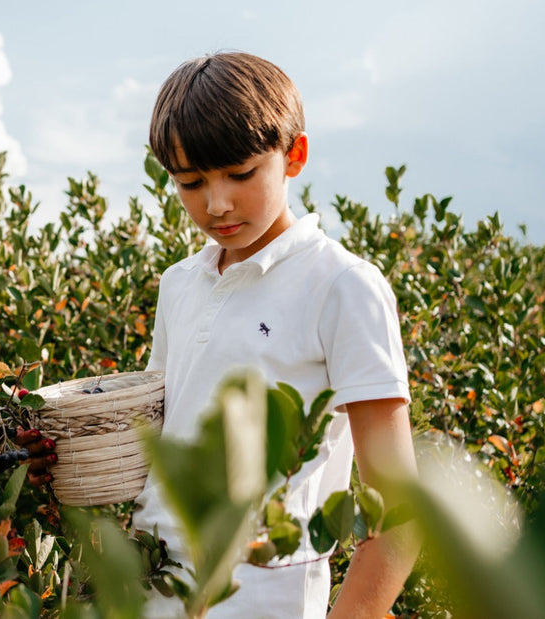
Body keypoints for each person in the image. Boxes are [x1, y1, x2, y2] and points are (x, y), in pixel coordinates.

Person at [133, 52, 419, 618]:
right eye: (190, 182)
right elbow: (158, 435)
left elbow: (399, 512)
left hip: (264, 600)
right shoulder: (180, 283)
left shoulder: (342, 287)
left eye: (241, 174)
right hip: (150, 591)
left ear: (295, 156)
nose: (217, 204)